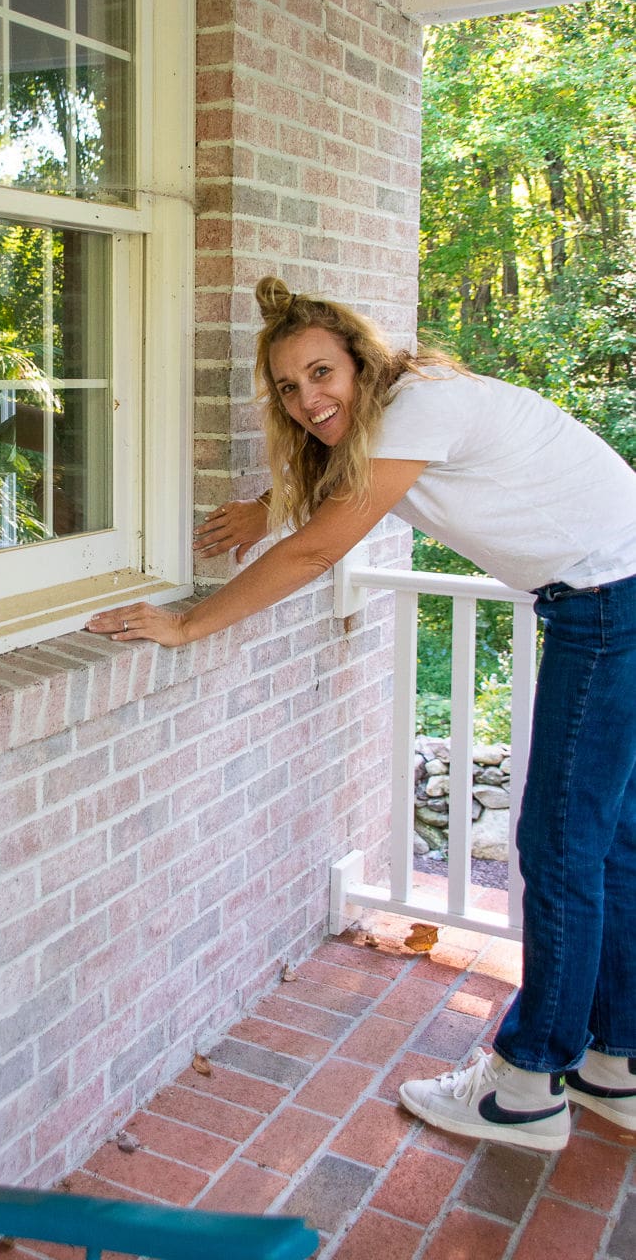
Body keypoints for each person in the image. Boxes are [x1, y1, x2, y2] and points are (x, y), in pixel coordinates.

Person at [85, 276, 636, 1151]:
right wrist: (263, 508)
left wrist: (188, 623)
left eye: (321, 373)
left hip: (607, 606)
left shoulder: (420, 405)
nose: (308, 400)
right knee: (607, 846)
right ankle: (615, 1063)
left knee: (561, 848)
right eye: (288, 388)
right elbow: (334, 491)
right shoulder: (401, 415)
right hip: (615, 596)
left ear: (360, 361)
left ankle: (526, 1088)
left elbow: (319, 547)